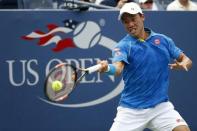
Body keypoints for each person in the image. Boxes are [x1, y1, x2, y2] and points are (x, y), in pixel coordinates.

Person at [98, 2, 192, 131]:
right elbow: (118, 68)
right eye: (126, 22)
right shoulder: (123, 46)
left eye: (133, 19)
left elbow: (186, 59)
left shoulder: (163, 40)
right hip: (131, 111)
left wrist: (184, 64)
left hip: (160, 107)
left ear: (142, 17)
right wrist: (107, 68)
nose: (130, 24)